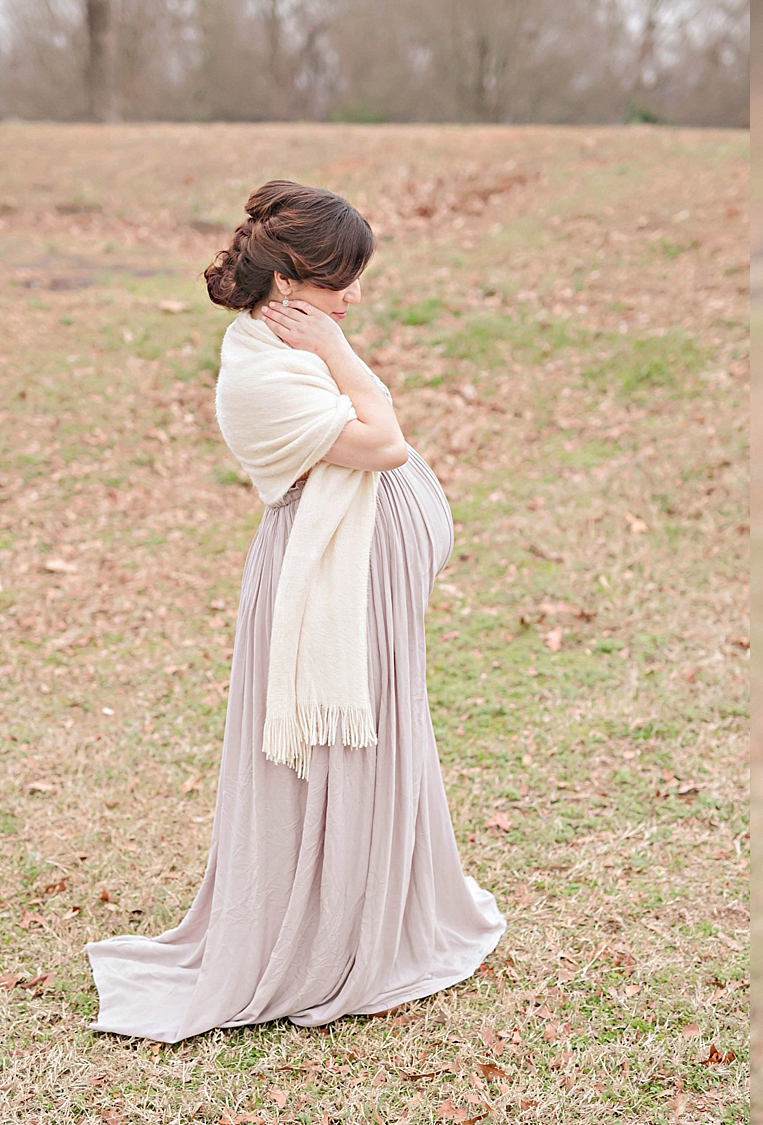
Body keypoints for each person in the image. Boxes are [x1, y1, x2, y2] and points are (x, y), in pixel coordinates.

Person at [85, 180, 507, 1042]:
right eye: (341, 282)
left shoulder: (289, 349)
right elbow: (384, 441)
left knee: (379, 740)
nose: (355, 297)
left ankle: (375, 911)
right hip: (332, 588)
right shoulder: (262, 373)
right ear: (288, 288)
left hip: (363, 583)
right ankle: (326, 935)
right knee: (332, 754)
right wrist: (348, 362)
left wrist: (337, 354)